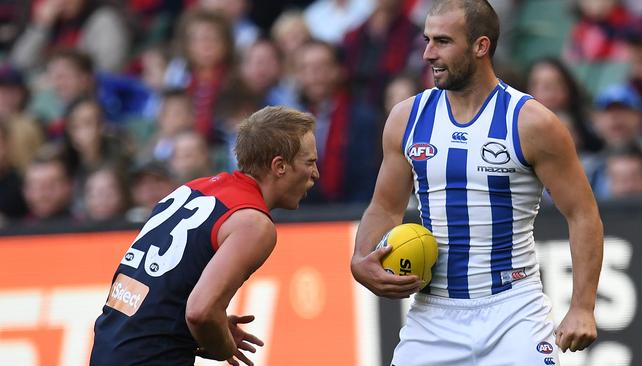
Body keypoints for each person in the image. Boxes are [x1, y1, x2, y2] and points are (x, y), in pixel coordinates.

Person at [350, 1, 604, 365]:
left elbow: (583, 214)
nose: (427, 53)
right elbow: (385, 206)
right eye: (427, 40)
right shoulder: (407, 117)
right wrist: (361, 259)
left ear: (480, 46)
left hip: (513, 311)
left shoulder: (532, 122)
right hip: (432, 315)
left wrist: (582, 307)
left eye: (442, 41)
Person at [90, 106, 319, 366]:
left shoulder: (194, 188)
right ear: (279, 166)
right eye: (310, 162)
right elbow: (201, 312)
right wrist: (222, 347)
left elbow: (160, 294)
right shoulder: (254, 224)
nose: (315, 174)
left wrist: (213, 328)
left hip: (108, 348)